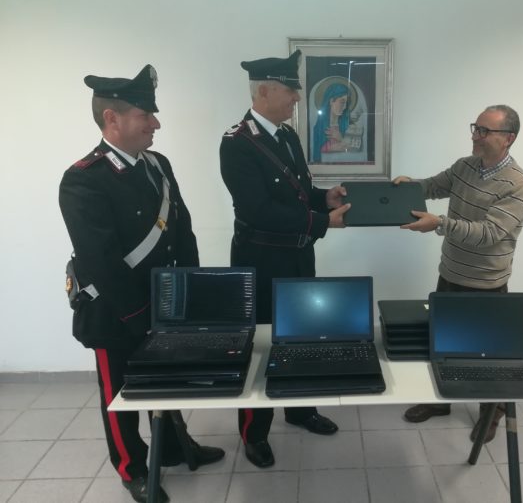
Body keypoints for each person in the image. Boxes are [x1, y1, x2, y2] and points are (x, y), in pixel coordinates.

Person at [59, 65, 224, 503]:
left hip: (163, 303)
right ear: (111, 118)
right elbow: (102, 263)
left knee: (165, 380)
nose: (156, 123)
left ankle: (173, 447)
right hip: (116, 312)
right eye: (144, 115)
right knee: (119, 396)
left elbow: (182, 231)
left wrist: (189, 290)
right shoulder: (83, 179)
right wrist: (142, 318)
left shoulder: (157, 164)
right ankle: (131, 468)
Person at [219, 50, 351, 469]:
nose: (297, 97)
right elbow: (258, 210)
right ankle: (254, 432)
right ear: (263, 91)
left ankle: (300, 409)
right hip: (261, 260)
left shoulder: (287, 135)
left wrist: (323, 199)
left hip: (298, 255)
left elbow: (298, 193)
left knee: (302, 335)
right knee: (260, 346)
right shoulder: (236, 144)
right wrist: (322, 221)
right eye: (290, 90)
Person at [395, 104, 523, 444]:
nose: (476, 136)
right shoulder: (465, 166)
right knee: (442, 344)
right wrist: (410, 186)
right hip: (450, 273)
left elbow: (490, 233)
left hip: (486, 283)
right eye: (475, 128)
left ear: (509, 138)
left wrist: (438, 223)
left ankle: (492, 412)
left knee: (487, 355)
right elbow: (434, 186)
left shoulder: (518, 184)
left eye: (485, 131)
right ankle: (440, 401)